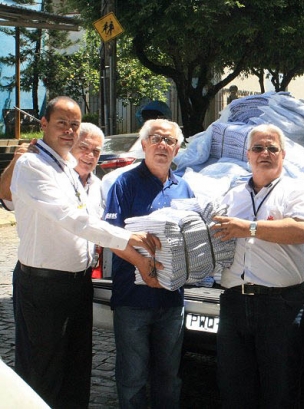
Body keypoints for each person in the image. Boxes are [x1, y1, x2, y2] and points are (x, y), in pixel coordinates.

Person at [10, 96, 159, 408]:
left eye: (74, 125)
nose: (68, 130)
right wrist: (130, 238)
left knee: (77, 370)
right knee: (43, 374)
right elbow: (72, 219)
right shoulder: (33, 165)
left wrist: (137, 260)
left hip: (77, 286)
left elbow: (94, 226)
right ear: (44, 124)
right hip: (43, 287)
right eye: (61, 123)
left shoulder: (71, 171)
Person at [211, 123, 304, 408]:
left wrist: (248, 228)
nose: (265, 153)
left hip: (281, 306)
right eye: (258, 148)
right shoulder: (232, 194)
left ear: (283, 155)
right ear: (248, 154)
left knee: (281, 393)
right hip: (235, 303)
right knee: (235, 392)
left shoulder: (298, 190)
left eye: (272, 148)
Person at [104, 119, 194, 409]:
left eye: (169, 141)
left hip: (171, 300)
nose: (162, 145)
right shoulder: (124, 183)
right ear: (143, 145)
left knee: (169, 376)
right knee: (132, 376)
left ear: (177, 149)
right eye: (156, 139)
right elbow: (110, 237)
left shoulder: (185, 189)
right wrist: (143, 266)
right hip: (133, 300)